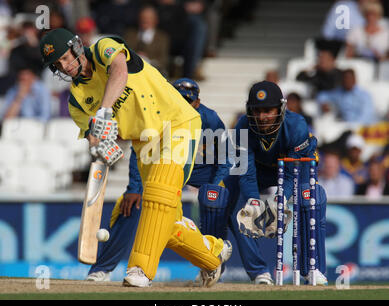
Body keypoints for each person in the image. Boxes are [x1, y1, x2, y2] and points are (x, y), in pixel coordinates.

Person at [39, 28, 232, 288]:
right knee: (166, 221)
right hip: (145, 144)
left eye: (65, 57)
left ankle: (140, 269)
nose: (65, 66)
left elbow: (120, 71)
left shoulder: (103, 48)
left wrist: (104, 111)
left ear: (76, 47)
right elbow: (93, 136)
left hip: (177, 124)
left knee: (158, 195)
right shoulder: (76, 100)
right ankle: (212, 255)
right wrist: (99, 145)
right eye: (57, 64)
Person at [86, 77, 233, 282]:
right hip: (165, 169)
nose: (182, 104)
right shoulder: (156, 114)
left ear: (197, 103)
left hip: (200, 170)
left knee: (214, 202)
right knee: (137, 208)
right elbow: (141, 153)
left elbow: (226, 158)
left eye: (187, 101)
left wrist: (214, 187)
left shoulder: (209, 118)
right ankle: (101, 269)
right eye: (177, 98)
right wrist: (135, 188)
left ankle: (213, 255)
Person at [227, 81, 328, 285]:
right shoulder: (242, 127)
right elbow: (246, 175)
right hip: (259, 172)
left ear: (280, 109)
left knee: (313, 197)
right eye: (257, 111)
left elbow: (291, 176)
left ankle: (313, 268)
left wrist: (277, 204)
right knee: (228, 198)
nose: (262, 117)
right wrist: (254, 205)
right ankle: (258, 272)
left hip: (296, 169)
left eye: (267, 111)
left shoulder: (296, 126)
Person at [123, 5, 170, 76]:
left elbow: (163, 60)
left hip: (153, 73)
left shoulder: (162, 37)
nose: (145, 20)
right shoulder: (130, 34)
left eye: (149, 18)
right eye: (143, 17)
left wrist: (148, 60)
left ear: (155, 20)